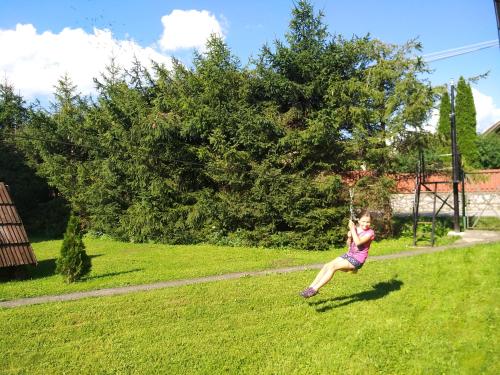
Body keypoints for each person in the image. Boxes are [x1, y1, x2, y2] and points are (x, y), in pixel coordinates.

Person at [300, 211, 375, 298]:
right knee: (327, 265)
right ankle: (310, 287)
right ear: (358, 221)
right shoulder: (356, 229)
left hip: (358, 259)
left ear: (371, 222)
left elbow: (358, 243)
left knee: (333, 267)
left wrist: (352, 229)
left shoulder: (370, 233)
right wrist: (349, 237)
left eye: (368, 222)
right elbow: (348, 244)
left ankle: (314, 290)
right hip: (349, 254)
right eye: (363, 221)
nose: (366, 224)